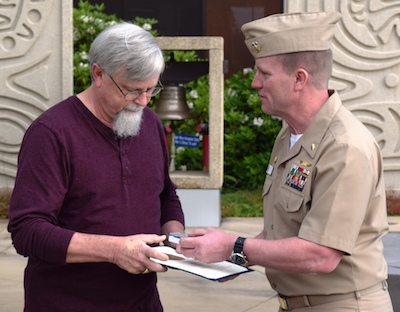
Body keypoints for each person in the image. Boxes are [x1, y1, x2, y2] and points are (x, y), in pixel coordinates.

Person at [177, 11, 394, 311]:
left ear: (299, 79)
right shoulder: (290, 135)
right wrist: (229, 258)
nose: (255, 83)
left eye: (264, 74)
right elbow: (280, 229)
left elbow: (321, 254)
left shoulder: (344, 147)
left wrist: (233, 245)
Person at [8, 22, 185, 312]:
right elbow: (27, 231)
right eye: (131, 90)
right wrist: (115, 250)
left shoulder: (150, 123)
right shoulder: (51, 133)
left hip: (143, 303)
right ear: (98, 73)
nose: (142, 102)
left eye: (151, 90)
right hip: (65, 303)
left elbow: (166, 196)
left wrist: (176, 237)